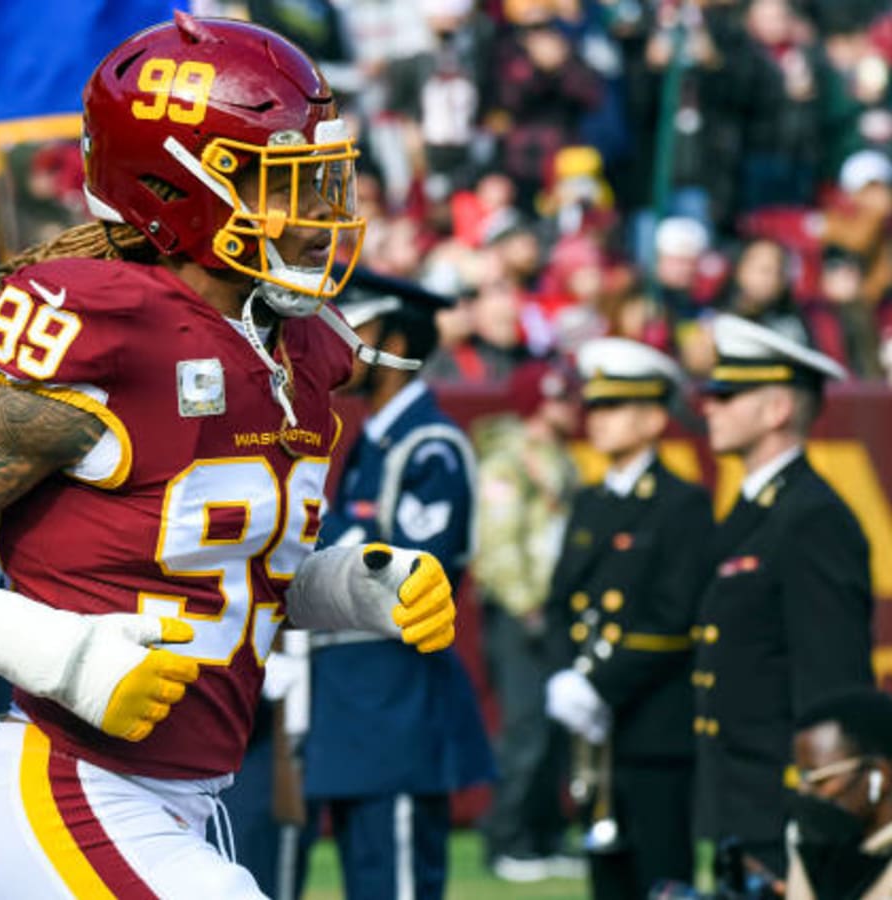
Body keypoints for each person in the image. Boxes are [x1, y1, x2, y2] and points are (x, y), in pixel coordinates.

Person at [0, 15, 457, 899]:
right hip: (71, 785)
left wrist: (344, 587)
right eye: (281, 185)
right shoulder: (110, 328)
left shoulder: (291, 345)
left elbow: (211, 569)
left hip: (189, 797)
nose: (318, 218)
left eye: (321, 183)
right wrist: (57, 653)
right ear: (175, 186)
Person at [300, 267, 495, 900]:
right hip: (354, 709)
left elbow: (411, 574)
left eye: (355, 330)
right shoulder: (374, 445)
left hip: (397, 703)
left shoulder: (428, 446)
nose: (338, 346)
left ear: (400, 344)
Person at [695, 313, 874, 881]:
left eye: (728, 393)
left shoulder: (812, 518)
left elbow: (832, 677)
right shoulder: (757, 511)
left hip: (782, 802)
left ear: (776, 409)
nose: (709, 406)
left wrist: (819, 802)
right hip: (740, 797)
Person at [544, 337, 714, 900]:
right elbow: (563, 600)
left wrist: (596, 685)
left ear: (653, 419)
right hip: (596, 736)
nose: (598, 419)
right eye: (594, 406)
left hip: (652, 728)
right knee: (606, 878)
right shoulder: (590, 501)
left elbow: (674, 617)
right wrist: (564, 675)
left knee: (661, 875)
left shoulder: (681, 503)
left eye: (613, 407)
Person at [469, 359, 582, 881]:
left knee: (557, 729)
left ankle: (543, 836)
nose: (572, 406)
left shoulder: (561, 459)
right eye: (561, 397)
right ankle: (506, 840)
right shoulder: (508, 461)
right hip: (522, 611)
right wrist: (525, 602)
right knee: (526, 728)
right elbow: (497, 538)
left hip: (554, 608)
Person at [786, 687, 892, 900]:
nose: (805, 791)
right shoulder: (818, 849)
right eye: (802, 779)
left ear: (878, 776)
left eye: (819, 780)